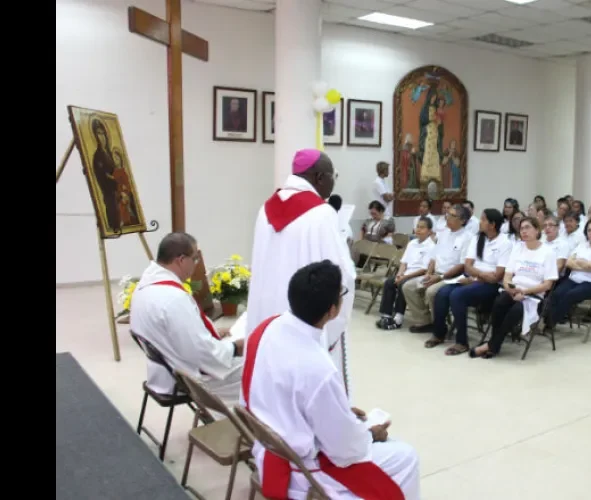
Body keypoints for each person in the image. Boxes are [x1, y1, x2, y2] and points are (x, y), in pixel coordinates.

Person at [242, 260, 420, 499]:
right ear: (332, 310)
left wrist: (341, 411)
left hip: (268, 446)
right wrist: (369, 434)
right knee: (406, 456)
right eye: (341, 294)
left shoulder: (267, 327)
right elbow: (345, 450)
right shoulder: (317, 368)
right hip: (301, 469)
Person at [244, 149, 356, 395]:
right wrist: (338, 314)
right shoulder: (322, 213)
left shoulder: (266, 210)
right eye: (332, 176)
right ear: (318, 178)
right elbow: (341, 274)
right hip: (304, 316)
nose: (332, 183)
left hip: (267, 315)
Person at [130, 232, 244, 407]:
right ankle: (258, 426)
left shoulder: (145, 286)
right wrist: (234, 347)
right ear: (181, 260)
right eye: (195, 259)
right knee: (261, 368)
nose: (196, 264)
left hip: (165, 370)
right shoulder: (173, 299)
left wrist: (207, 333)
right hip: (187, 379)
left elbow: (176, 332)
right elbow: (203, 354)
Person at [424, 209, 512, 355]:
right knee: (442, 293)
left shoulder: (505, 243)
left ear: (492, 225)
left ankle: (462, 342)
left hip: (490, 286)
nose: (480, 222)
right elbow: (467, 265)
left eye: (483, 220)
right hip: (473, 279)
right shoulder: (478, 238)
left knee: (457, 295)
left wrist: (477, 276)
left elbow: (497, 276)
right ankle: (439, 333)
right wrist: (480, 275)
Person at [470, 217, 558, 358]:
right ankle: (494, 345)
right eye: (522, 228)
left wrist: (525, 291)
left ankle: (492, 345)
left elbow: (548, 285)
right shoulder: (518, 248)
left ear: (537, 230)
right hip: (513, 290)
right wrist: (509, 287)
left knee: (515, 310)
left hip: (534, 295)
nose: (524, 231)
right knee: (498, 303)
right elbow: (507, 275)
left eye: (528, 227)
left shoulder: (548, 252)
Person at [403, 205, 473, 333]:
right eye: (448, 214)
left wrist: (440, 277)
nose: (447, 217)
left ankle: (439, 325)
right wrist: (428, 274)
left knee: (431, 292)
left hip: (451, 278)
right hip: (435, 273)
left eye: (452, 215)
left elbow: (462, 265)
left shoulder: (467, 237)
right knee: (409, 286)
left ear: (462, 220)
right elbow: (434, 257)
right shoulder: (444, 233)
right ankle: (424, 321)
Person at [542, 219, 591, 330]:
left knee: (571, 295)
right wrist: (586, 264)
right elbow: (569, 263)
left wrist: (580, 262)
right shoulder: (582, 245)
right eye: (589, 230)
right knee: (556, 293)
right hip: (575, 279)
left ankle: (549, 324)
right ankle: (547, 321)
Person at [377, 218, 435, 330]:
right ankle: (386, 315)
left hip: (419, 276)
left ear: (429, 231)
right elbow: (404, 262)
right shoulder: (412, 243)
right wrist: (399, 274)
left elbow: (424, 269)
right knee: (389, 282)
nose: (418, 229)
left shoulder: (431, 246)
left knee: (403, 284)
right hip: (406, 274)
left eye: (422, 227)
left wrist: (404, 277)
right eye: (417, 226)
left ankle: (399, 317)